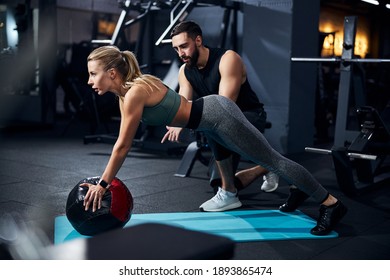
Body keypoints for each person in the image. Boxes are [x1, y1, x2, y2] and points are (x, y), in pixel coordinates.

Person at [81, 45, 347, 236]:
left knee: (272, 160)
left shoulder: (135, 91)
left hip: (217, 116)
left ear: (113, 73)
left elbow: (123, 146)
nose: (90, 80)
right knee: (263, 161)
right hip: (207, 122)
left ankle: (330, 204)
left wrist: (102, 185)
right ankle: (299, 187)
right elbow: (166, 108)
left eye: (94, 73)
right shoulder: (126, 94)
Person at [164, 20, 279, 212]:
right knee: (217, 180)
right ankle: (266, 166)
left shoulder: (228, 59)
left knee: (214, 125)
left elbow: (225, 105)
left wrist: (191, 119)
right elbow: (183, 101)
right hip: (220, 120)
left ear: (198, 40)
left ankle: (229, 194)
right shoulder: (185, 71)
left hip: (249, 114)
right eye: (176, 49)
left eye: (184, 46)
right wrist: (179, 121)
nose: (180, 53)